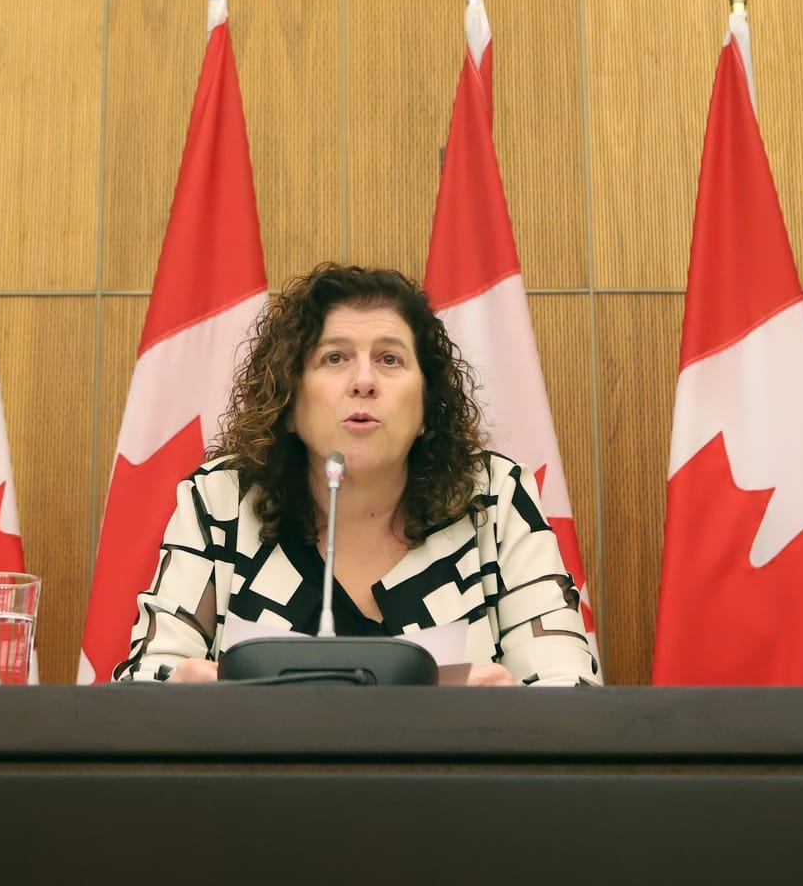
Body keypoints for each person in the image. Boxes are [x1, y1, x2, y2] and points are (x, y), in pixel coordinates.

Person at [114, 263, 598, 687]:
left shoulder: (491, 500)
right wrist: (185, 690)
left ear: (428, 404)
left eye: (390, 359)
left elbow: (567, 689)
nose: (364, 381)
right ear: (289, 400)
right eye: (334, 358)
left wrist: (505, 710)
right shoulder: (221, 502)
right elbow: (146, 689)